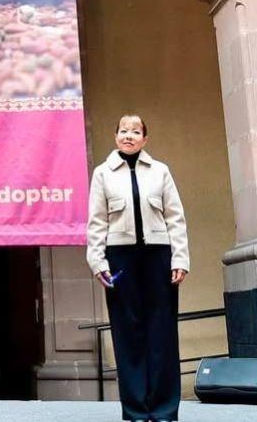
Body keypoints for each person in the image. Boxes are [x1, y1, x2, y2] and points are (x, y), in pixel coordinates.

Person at [86, 114, 189, 422]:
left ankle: (164, 410)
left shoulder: (161, 172)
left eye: (135, 131)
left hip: (159, 258)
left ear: (145, 139)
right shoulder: (103, 173)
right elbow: (96, 222)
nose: (128, 135)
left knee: (162, 332)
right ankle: (135, 412)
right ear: (115, 136)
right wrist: (98, 262)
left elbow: (176, 218)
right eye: (123, 130)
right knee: (127, 333)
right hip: (120, 260)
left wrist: (180, 258)